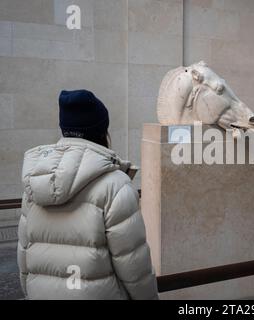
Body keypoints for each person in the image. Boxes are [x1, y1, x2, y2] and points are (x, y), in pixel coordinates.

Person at [17, 89, 159, 300]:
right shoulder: (116, 185)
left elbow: (23, 258)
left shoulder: (35, 181)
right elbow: (133, 264)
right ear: (102, 131)